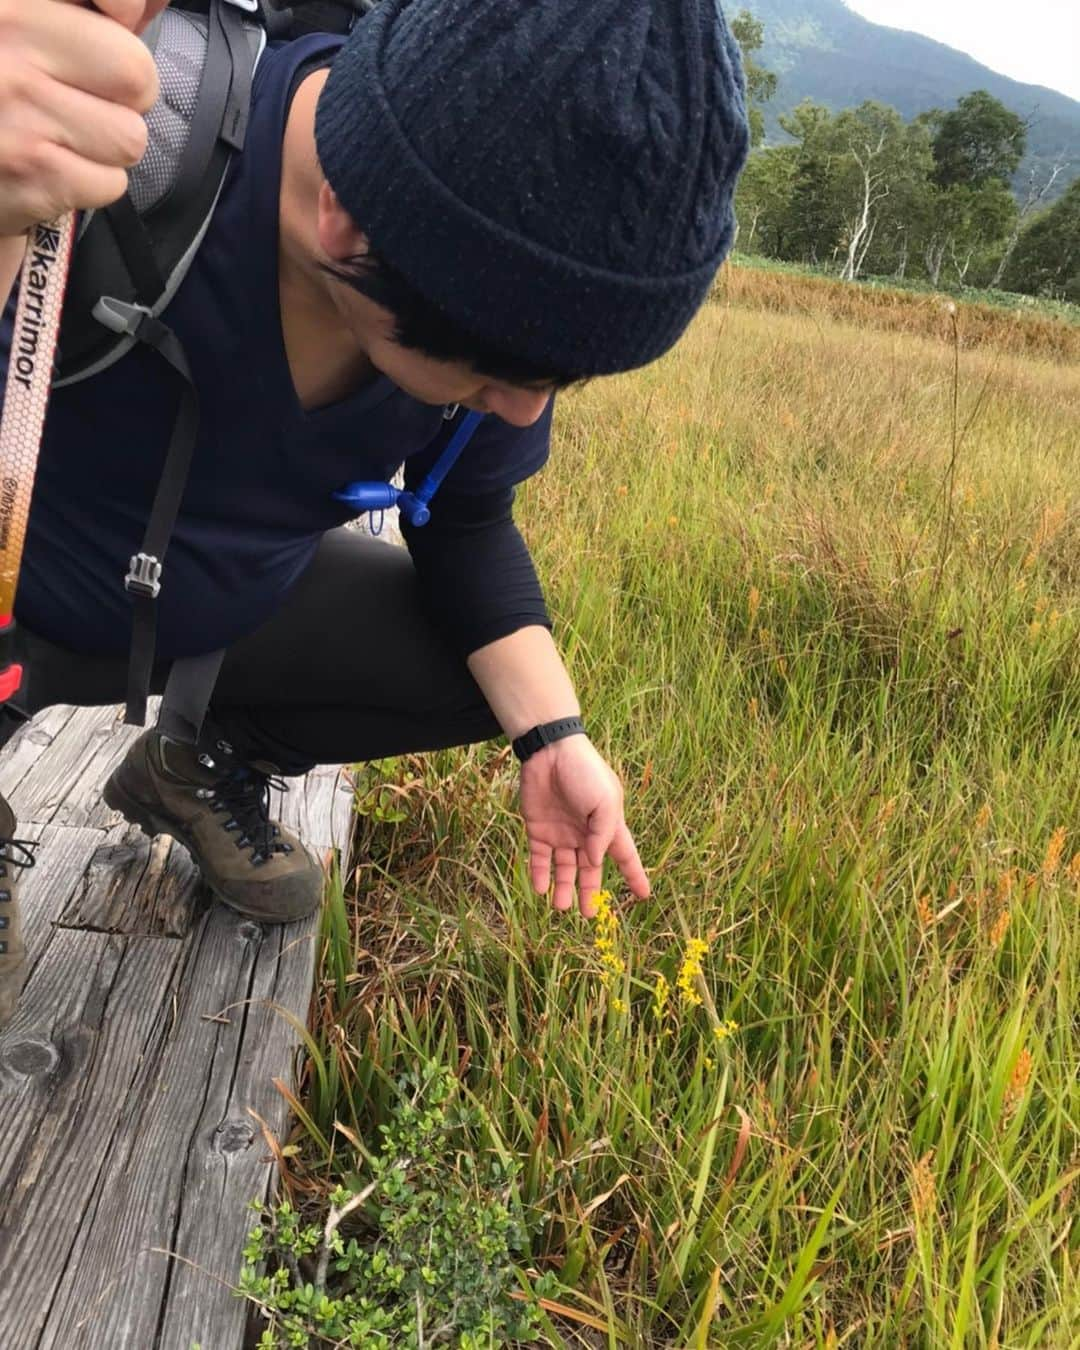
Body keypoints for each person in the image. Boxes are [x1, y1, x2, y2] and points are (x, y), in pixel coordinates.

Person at [0, 0, 749, 1030]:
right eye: (488, 369)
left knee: (486, 678)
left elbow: (471, 521)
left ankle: (193, 763)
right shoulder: (114, 143)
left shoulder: (483, 279)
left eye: (560, 380)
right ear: (342, 221)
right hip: (26, 605)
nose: (523, 409)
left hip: (221, 610)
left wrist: (556, 737)